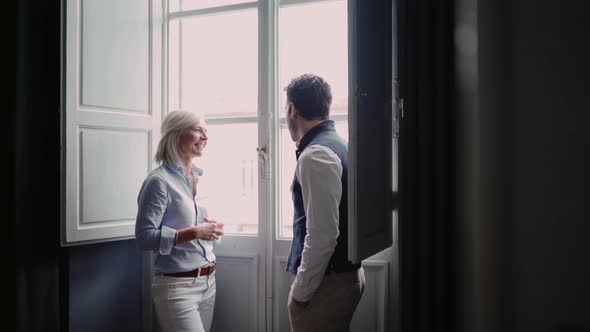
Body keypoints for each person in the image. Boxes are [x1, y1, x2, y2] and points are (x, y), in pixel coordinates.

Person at [285, 74, 366, 332]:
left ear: (292, 109)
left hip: (327, 285)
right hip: (344, 276)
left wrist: (300, 293)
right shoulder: (342, 145)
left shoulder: (316, 155)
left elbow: (323, 236)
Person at [135, 110, 224, 332]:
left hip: (208, 282)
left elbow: (193, 222)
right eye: (197, 130)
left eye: (206, 131)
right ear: (176, 135)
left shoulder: (200, 177)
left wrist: (211, 228)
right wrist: (194, 232)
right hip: (176, 288)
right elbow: (144, 238)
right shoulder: (158, 182)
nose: (205, 137)